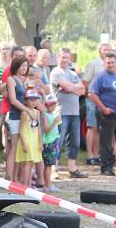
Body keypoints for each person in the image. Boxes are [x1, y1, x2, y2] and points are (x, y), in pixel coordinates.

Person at [89, 53, 116, 176]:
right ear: (104, 63)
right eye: (108, 62)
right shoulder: (100, 76)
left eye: (113, 62)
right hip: (107, 114)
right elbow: (92, 94)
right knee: (106, 141)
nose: (111, 65)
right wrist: (103, 108)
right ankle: (107, 167)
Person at [50, 48, 87, 178]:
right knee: (58, 141)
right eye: (63, 57)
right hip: (61, 112)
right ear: (58, 58)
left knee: (75, 142)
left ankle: (72, 168)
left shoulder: (72, 73)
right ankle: (54, 168)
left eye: (67, 57)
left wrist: (69, 88)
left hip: (75, 112)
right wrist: (70, 87)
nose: (65, 60)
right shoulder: (56, 73)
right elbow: (70, 87)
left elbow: (82, 90)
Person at [82, 42, 111, 166]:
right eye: (104, 49)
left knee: (100, 128)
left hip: (105, 101)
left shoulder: (110, 65)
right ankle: (90, 155)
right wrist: (93, 92)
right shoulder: (93, 64)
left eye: (108, 49)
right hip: (93, 99)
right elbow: (85, 81)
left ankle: (97, 154)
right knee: (92, 126)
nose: (106, 51)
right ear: (99, 51)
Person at [5, 54, 32, 182]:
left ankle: (17, 178)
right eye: (22, 65)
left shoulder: (23, 80)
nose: (24, 68)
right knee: (14, 147)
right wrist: (27, 110)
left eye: (26, 66)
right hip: (15, 116)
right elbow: (13, 100)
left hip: (23, 117)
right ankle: (9, 177)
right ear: (16, 65)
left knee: (21, 148)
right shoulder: (11, 79)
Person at [16, 89, 43, 187]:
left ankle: (29, 184)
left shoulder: (37, 112)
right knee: (26, 163)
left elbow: (38, 127)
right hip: (27, 139)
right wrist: (23, 143)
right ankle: (26, 185)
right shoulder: (24, 113)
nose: (33, 102)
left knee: (32, 163)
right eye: (31, 99)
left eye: (35, 99)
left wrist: (40, 142)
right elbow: (21, 129)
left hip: (34, 139)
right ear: (26, 101)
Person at [41, 94, 62, 192]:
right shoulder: (45, 115)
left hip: (53, 141)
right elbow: (46, 129)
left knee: (50, 164)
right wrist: (54, 122)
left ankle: (48, 184)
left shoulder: (53, 115)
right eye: (49, 105)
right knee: (48, 165)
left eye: (53, 105)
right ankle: (47, 185)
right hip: (48, 142)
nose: (51, 107)